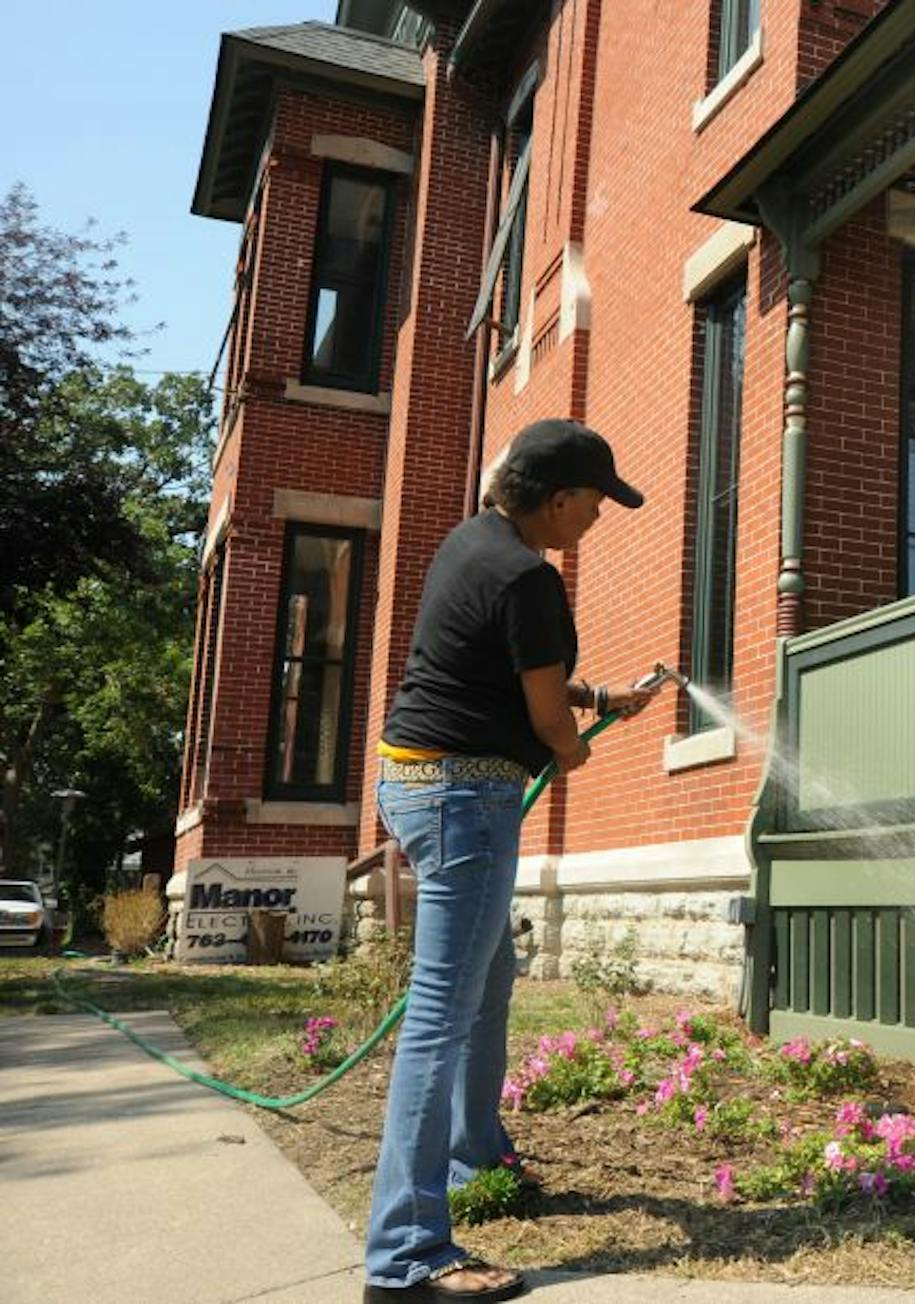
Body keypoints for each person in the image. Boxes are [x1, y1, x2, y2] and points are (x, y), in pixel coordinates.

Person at [363, 419, 656, 1302]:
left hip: (414, 780)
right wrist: (573, 746)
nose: (600, 516)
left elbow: (502, 667)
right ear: (559, 499)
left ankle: (473, 1159)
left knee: (489, 984)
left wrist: (600, 697)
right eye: (597, 501)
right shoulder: (532, 576)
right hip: (466, 798)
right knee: (441, 1016)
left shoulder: (471, 543)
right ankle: (406, 1258)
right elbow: (543, 718)